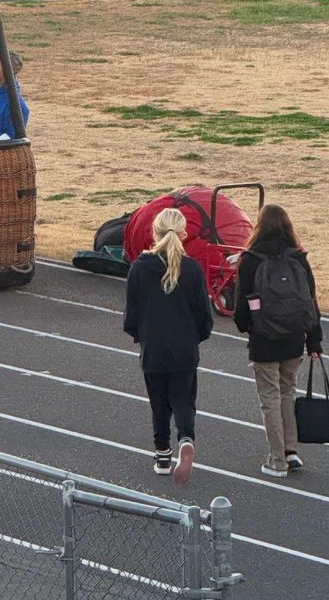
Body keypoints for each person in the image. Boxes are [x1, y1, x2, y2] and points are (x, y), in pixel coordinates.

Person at [123, 207, 213, 485]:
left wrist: (141, 335)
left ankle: (162, 454)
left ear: (154, 231)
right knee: (184, 399)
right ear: (184, 233)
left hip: (154, 348)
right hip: (184, 348)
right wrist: (194, 337)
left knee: (159, 403)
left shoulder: (140, 267)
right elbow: (204, 316)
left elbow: (132, 315)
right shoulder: (192, 269)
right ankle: (186, 437)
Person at [234, 204, 322, 478]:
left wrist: (246, 326)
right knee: (287, 392)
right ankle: (290, 450)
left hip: (264, 338)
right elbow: (311, 301)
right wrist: (314, 341)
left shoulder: (250, 259)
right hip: (294, 338)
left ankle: (276, 461)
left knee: (269, 399)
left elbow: (242, 305)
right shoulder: (299, 257)